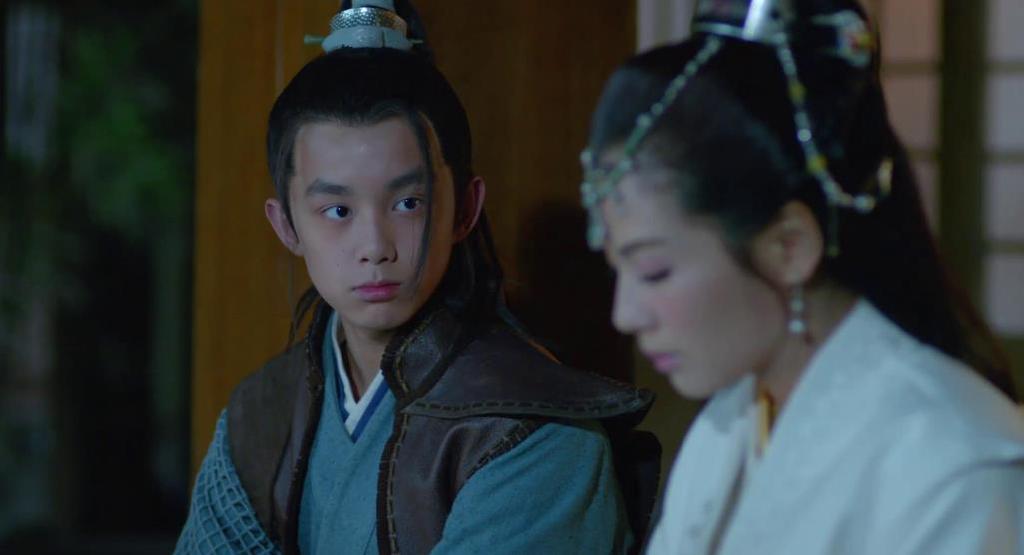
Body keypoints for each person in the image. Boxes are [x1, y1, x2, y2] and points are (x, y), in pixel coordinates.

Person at [175, 1, 657, 553]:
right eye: (337, 211)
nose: (375, 248)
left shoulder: (535, 429)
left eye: (407, 202)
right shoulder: (259, 417)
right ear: (286, 224)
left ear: (465, 209)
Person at [579, 0, 1024, 553]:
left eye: (654, 271)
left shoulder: (952, 466)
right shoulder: (730, 421)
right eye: (617, 267)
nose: (624, 314)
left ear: (789, 247)